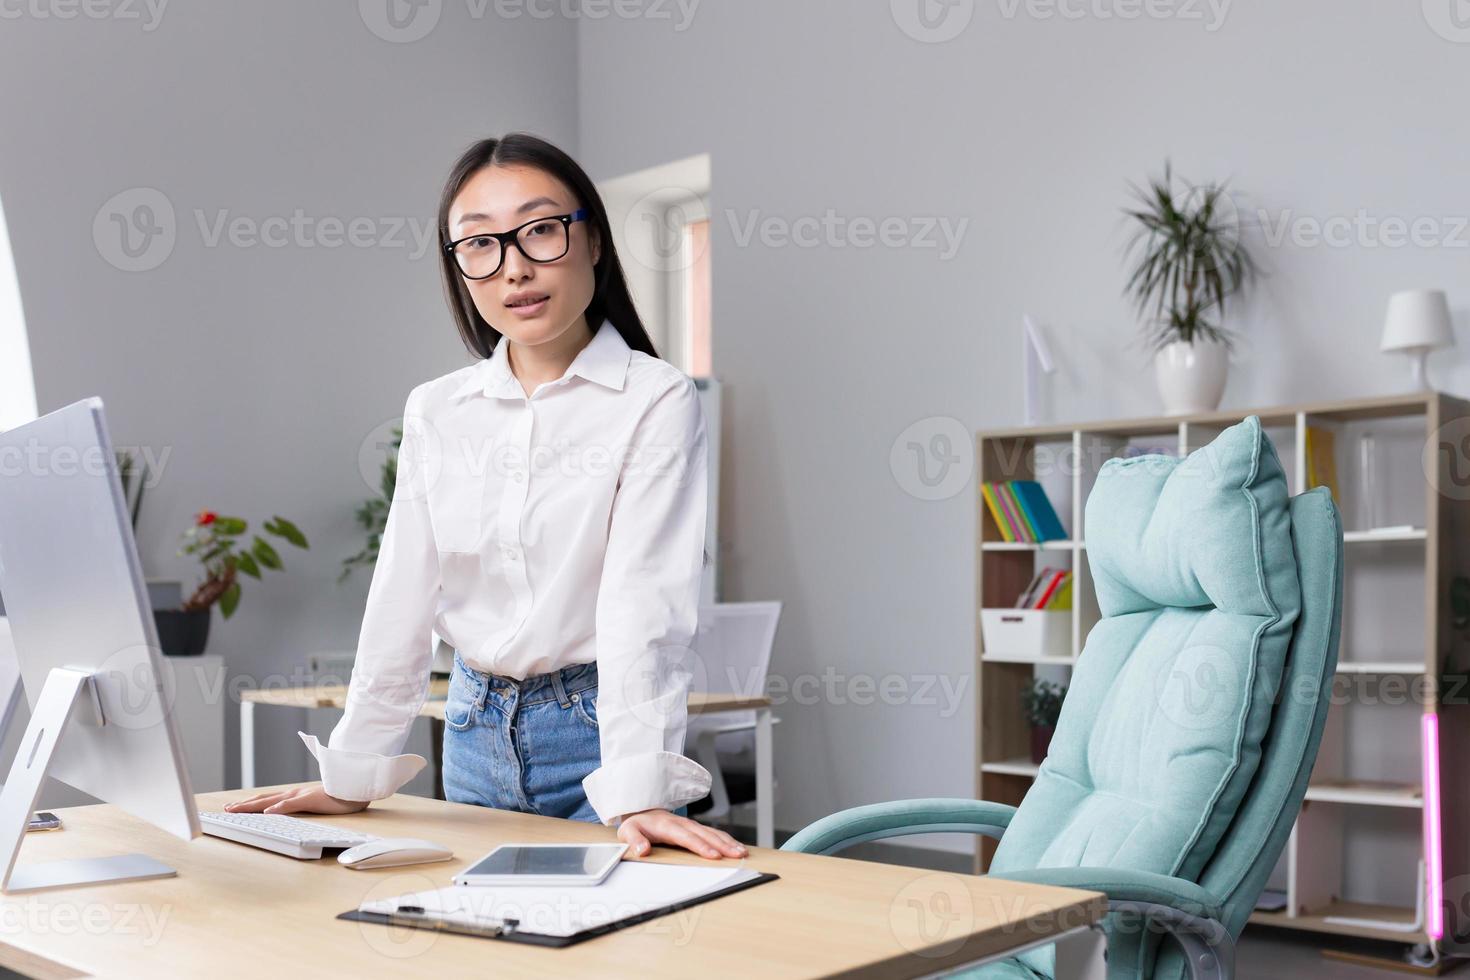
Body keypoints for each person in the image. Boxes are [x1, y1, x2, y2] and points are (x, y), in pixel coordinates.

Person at [226, 133, 745, 861]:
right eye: (480, 245)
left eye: (539, 230)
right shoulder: (438, 408)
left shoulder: (653, 398)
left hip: (596, 737)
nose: (515, 269)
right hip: (472, 728)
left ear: (591, 238)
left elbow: (642, 607)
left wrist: (639, 791)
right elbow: (403, 593)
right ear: (458, 267)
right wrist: (354, 772)